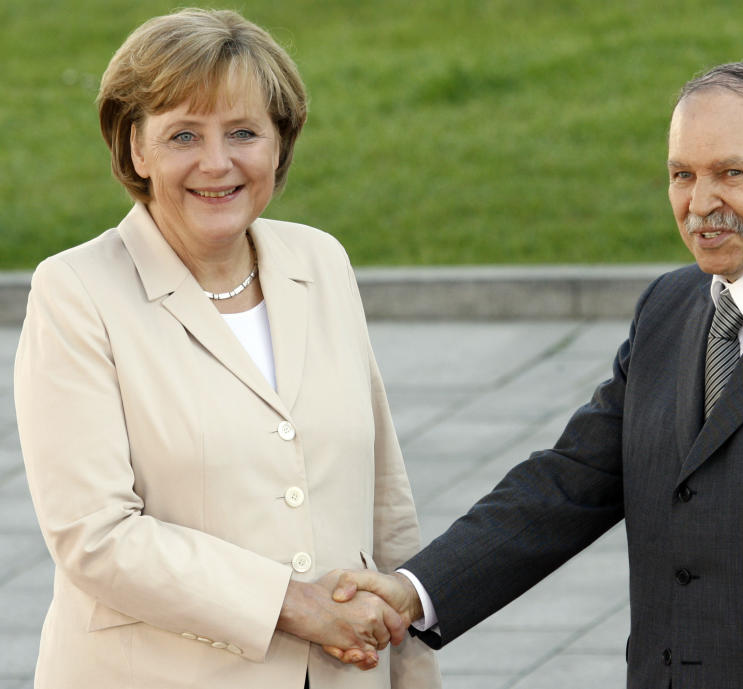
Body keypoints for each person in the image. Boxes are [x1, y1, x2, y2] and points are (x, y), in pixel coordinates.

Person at [329, 61, 743, 688]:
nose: (699, 202)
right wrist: (414, 591)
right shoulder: (670, 308)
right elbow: (570, 483)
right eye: (682, 174)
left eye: (731, 174)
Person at [13, 9, 440, 689]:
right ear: (135, 150)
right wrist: (292, 604)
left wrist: (413, 673)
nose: (218, 163)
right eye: (183, 134)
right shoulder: (76, 292)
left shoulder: (320, 260)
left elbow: (385, 499)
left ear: (279, 144)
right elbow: (95, 537)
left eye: (243, 132)